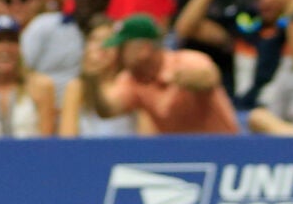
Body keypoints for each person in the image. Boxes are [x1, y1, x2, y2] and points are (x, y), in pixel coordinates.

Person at [80, 14, 239, 134]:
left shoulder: (186, 61)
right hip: (179, 156)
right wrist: (93, 80)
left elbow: (211, 77)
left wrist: (185, 79)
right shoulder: (131, 79)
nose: (117, 53)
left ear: (143, 49)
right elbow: (107, 110)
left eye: (122, 48)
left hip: (222, 149)